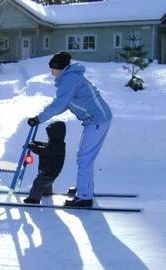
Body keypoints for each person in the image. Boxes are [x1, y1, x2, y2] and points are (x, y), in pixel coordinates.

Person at [28, 51, 112, 207]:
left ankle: (84, 197)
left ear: (59, 67)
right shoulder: (70, 77)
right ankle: (84, 189)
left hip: (97, 120)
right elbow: (64, 104)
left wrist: (39, 118)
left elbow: (60, 103)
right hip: (94, 120)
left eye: (52, 68)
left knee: (84, 158)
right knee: (85, 157)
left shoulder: (70, 79)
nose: (51, 72)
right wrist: (42, 116)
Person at [23, 121, 66, 204]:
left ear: (55, 135)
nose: (48, 137)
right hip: (51, 171)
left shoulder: (56, 147)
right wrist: (35, 143)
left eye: (49, 135)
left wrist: (33, 147)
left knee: (38, 183)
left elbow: (43, 151)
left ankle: (33, 199)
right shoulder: (57, 144)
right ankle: (47, 193)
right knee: (46, 183)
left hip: (48, 171)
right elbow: (44, 145)